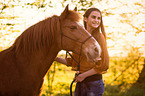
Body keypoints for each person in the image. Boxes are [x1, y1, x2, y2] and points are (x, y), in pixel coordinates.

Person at [55, 7, 109, 96]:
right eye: (93, 17)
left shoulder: (99, 37)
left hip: (94, 83)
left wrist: (83, 76)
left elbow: (104, 65)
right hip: (81, 82)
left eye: (99, 18)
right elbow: (73, 62)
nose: (96, 20)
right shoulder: (80, 37)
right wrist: (54, 58)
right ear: (85, 19)